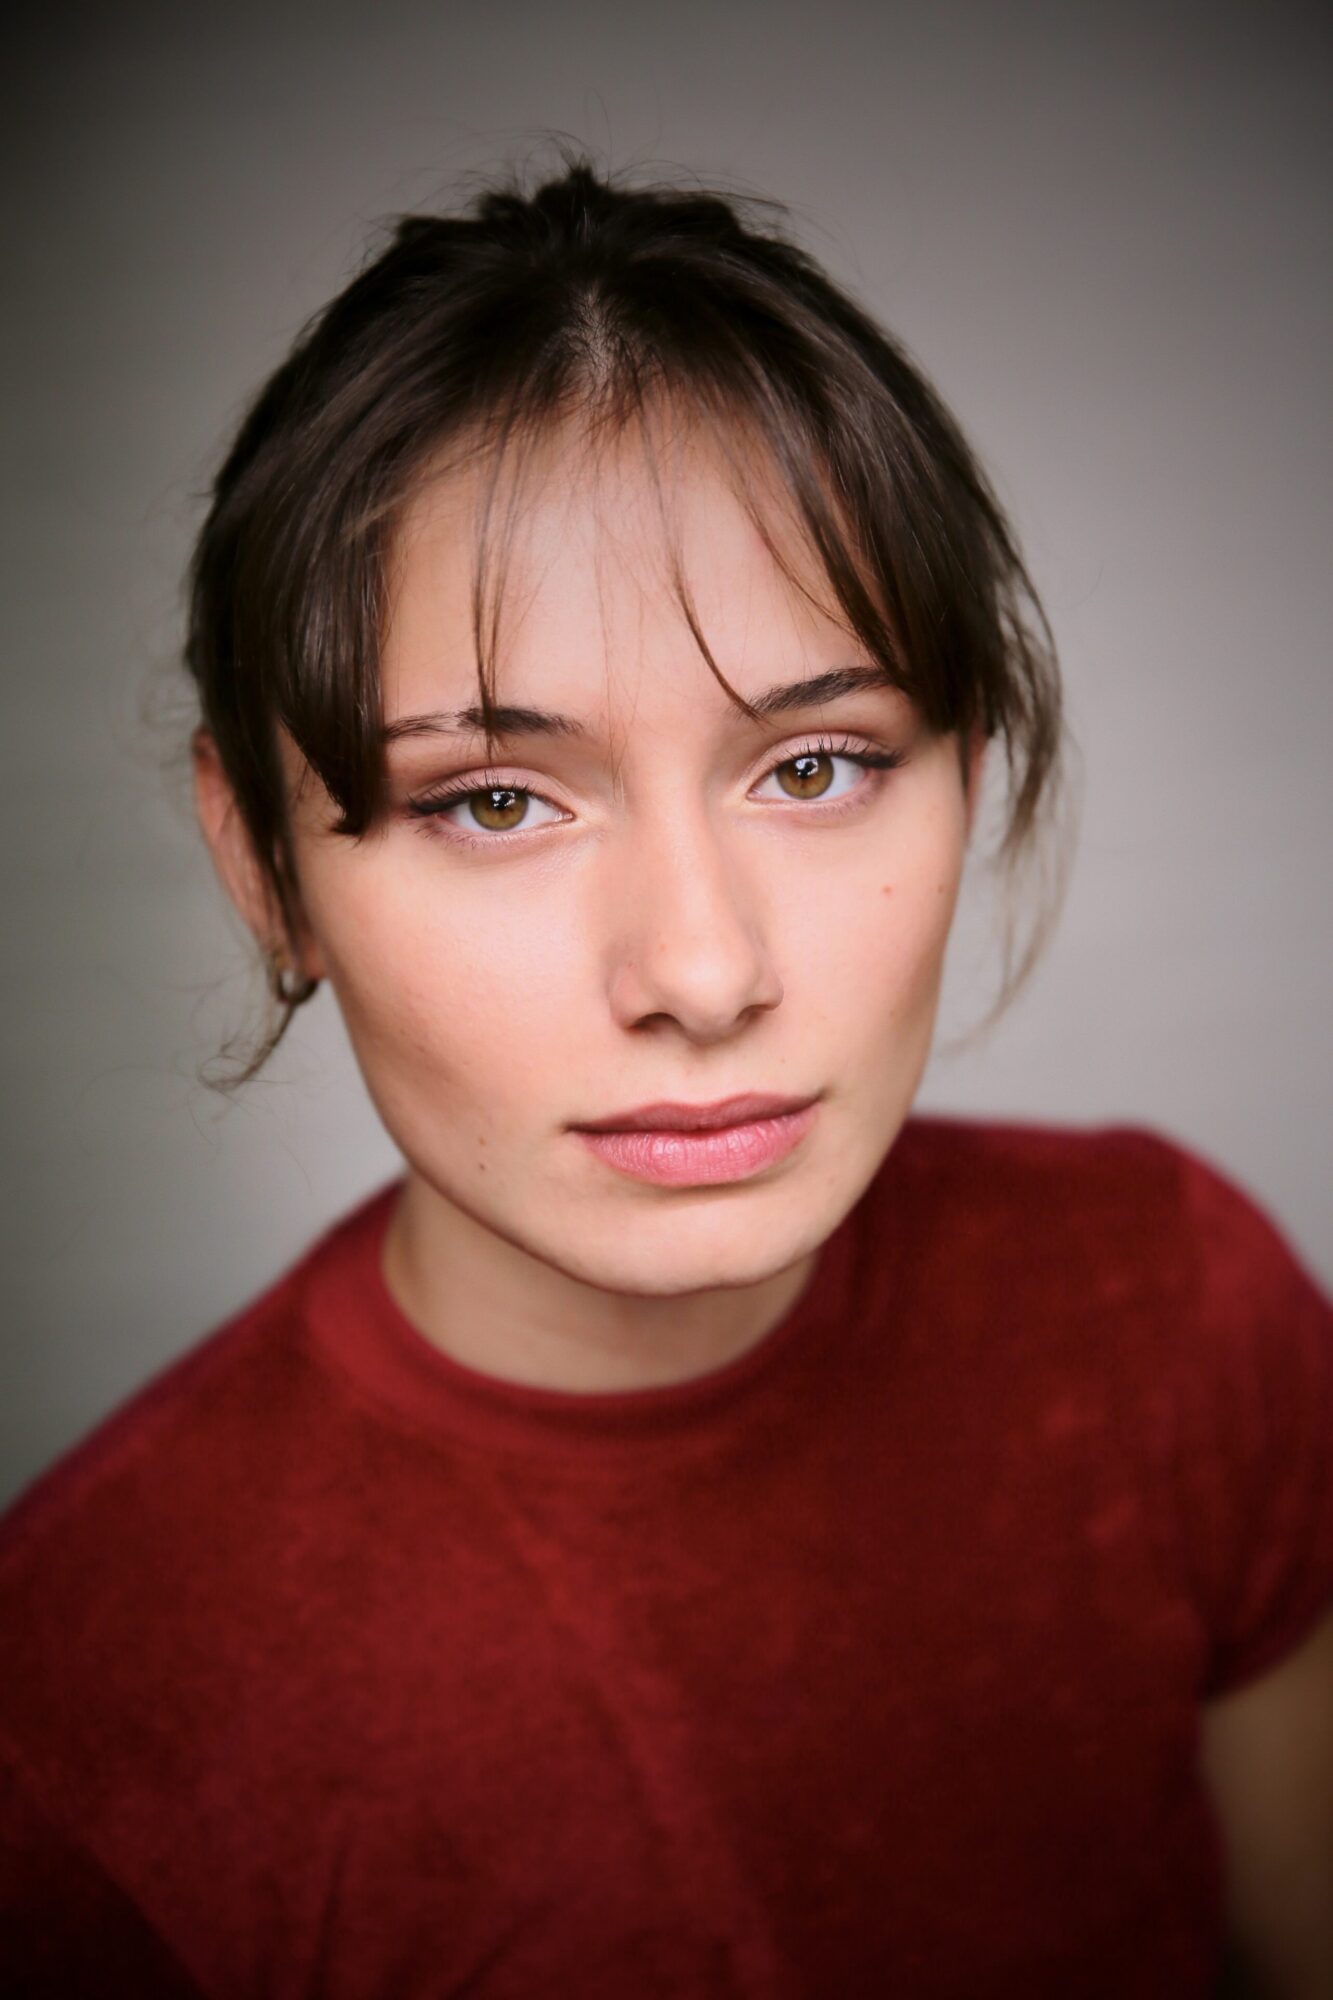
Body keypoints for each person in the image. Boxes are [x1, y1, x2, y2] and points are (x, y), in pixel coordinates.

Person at [1, 156, 1329, 2000]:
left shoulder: (1165, 1307)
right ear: (263, 870)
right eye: (493, 801)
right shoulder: (76, 1718)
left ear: (968, 771)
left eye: (814, 767)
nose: (702, 974)